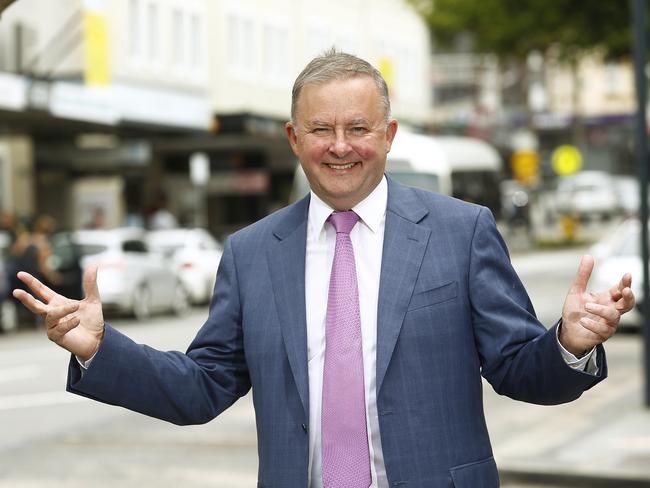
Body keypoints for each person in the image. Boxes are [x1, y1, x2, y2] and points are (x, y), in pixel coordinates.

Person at [13, 50, 634, 488]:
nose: (341, 145)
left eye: (359, 127)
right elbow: (201, 388)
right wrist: (100, 349)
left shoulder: (460, 232)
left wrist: (569, 344)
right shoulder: (252, 253)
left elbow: (518, 370)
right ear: (293, 138)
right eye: (322, 129)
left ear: (388, 134)